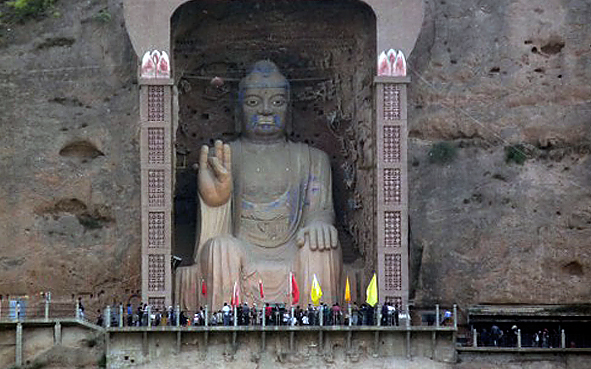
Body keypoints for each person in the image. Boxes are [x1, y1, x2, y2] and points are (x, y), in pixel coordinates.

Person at [176, 60, 342, 310]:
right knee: (222, 248)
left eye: (277, 102)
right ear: (238, 112)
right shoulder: (222, 157)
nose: (266, 110)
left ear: (290, 111)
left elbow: (320, 210)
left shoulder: (312, 159)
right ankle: (225, 321)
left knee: (320, 248)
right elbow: (215, 234)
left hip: (293, 251)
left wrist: (320, 224)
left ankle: (317, 320)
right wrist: (216, 202)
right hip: (242, 250)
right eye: (253, 102)